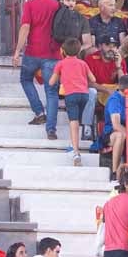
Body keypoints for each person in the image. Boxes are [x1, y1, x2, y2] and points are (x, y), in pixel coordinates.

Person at [14, 0, 61, 139]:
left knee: (26, 79)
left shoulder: (30, 4)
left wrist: (17, 51)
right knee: (52, 91)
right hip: (54, 54)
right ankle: (51, 129)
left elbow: (25, 27)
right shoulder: (57, 5)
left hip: (33, 52)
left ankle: (39, 111)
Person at [50, 38, 97, 166]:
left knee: (73, 122)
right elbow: (93, 78)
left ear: (63, 51)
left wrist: (61, 76)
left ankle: (76, 151)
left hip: (71, 95)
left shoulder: (61, 63)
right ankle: (74, 143)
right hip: (84, 95)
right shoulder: (83, 63)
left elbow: (51, 82)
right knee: (79, 121)